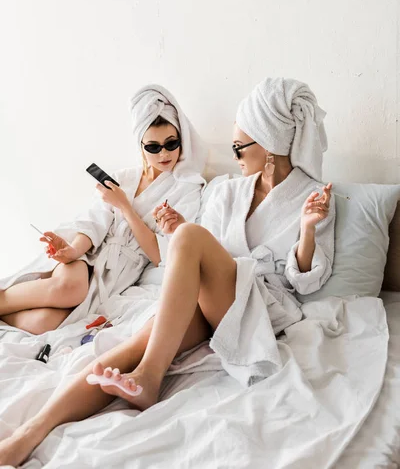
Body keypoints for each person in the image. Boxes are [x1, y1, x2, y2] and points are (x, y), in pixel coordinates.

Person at [0, 77, 335, 467]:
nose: (235, 154)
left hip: (257, 298)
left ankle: (150, 377)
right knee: (135, 344)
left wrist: (308, 230)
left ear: (271, 146)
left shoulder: (313, 197)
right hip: (208, 292)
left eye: (240, 146)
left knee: (188, 239)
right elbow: (199, 248)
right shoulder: (228, 190)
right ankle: (29, 433)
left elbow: (305, 281)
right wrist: (177, 232)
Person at [0, 85, 206, 335]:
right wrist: (71, 251)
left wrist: (125, 207)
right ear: (141, 146)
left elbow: (160, 256)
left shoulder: (188, 188)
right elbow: (93, 222)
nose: (164, 153)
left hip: (115, 276)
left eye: (171, 143)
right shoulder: (124, 178)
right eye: (153, 146)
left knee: (42, 323)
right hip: (88, 254)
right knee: (71, 289)